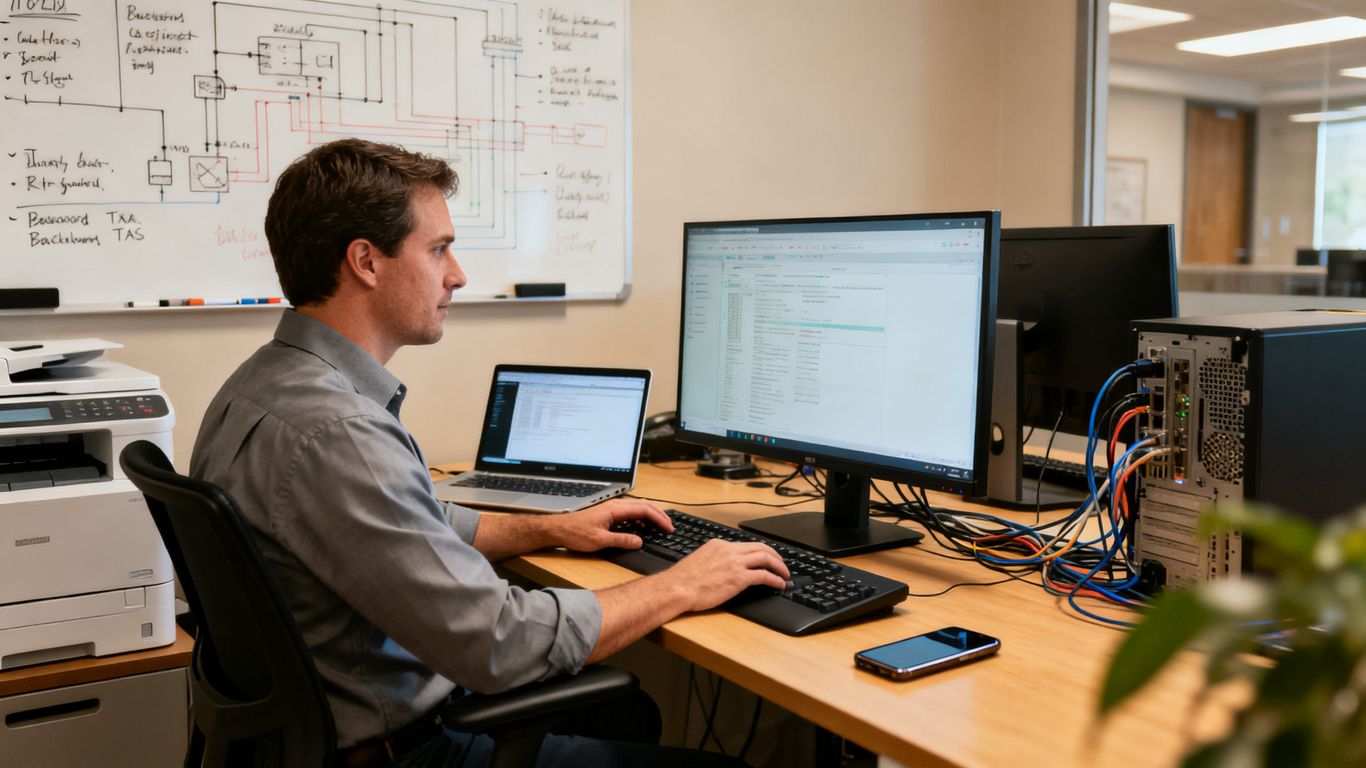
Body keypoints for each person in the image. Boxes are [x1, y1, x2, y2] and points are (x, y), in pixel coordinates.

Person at [189, 138, 789, 767]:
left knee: (625, 710)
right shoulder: (339, 432)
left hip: (307, 731)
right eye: (439, 249)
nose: (458, 273)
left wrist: (547, 529)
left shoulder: (260, 386)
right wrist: (681, 585)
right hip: (401, 749)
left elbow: (402, 529)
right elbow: (496, 644)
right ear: (366, 261)